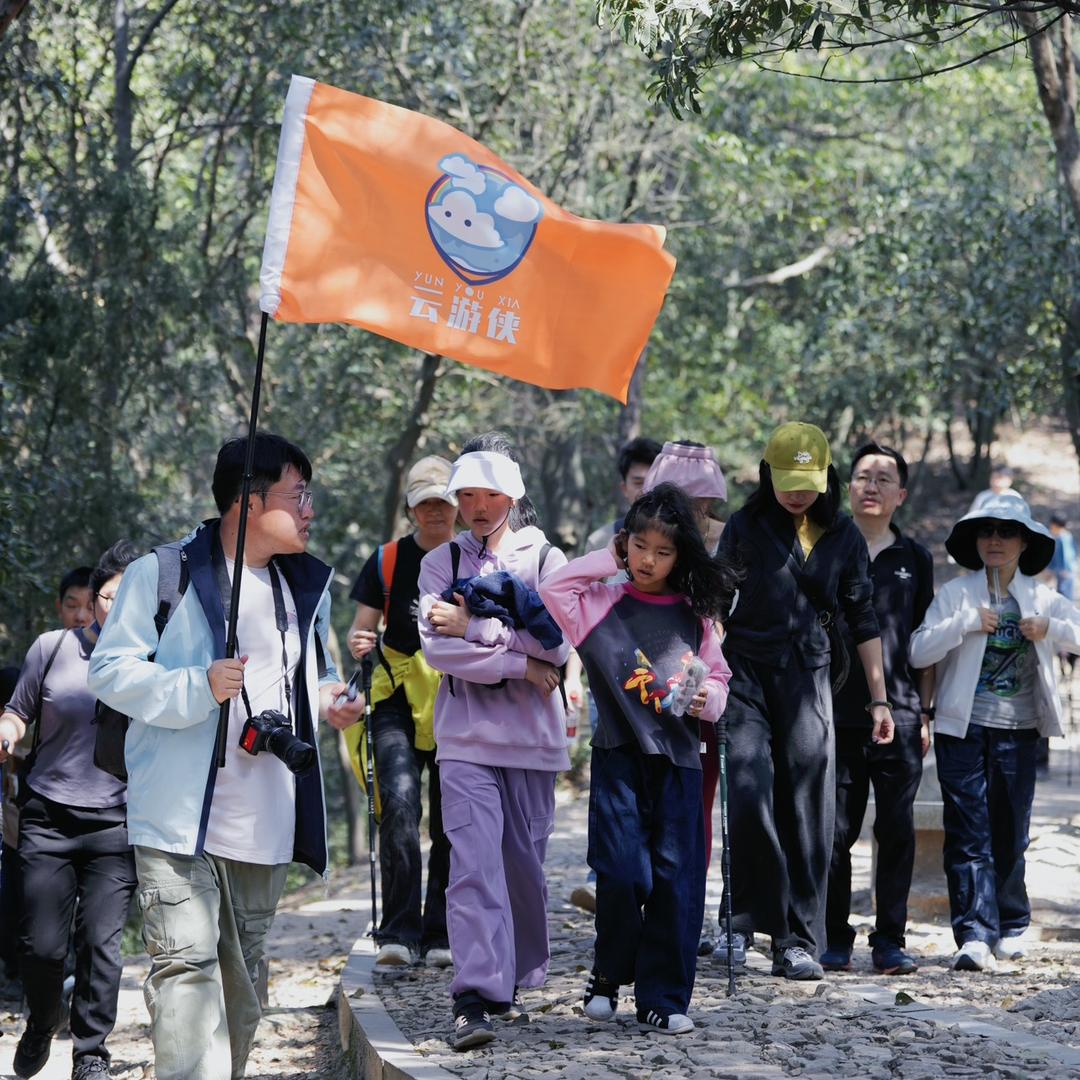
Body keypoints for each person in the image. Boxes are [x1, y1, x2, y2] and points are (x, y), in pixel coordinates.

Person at [87, 433, 363, 1080]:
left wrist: (330, 700)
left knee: (243, 994)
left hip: (262, 819)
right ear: (248, 499)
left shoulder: (305, 586)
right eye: (299, 496)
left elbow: (313, 671)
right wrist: (196, 686)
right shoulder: (166, 572)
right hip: (179, 813)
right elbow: (110, 671)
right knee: (186, 965)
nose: (310, 511)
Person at [540, 482, 735, 1035]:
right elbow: (556, 586)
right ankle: (608, 974)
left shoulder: (696, 616)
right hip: (619, 759)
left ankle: (664, 998)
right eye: (640, 546)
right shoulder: (599, 605)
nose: (649, 560)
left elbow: (720, 681)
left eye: (664, 550)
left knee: (677, 881)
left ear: (682, 556)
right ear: (627, 544)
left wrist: (707, 700)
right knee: (623, 873)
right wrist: (610, 556)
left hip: (679, 763)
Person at [713, 421, 892, 981]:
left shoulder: (842, 533)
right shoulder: (745, 526)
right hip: (744, 673)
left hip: (809, 675)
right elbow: (717, 601)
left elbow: (863, 617)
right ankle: (739, 923)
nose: (798, 492)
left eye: (808, 481)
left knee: (809, 804)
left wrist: (880, 700)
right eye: (787, 480)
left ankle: (796, 938)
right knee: (747, 788)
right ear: (767, 476)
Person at [417, 432, 571, 1051]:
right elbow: (438, 649)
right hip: (463, 740)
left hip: (532, 741)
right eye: (466, 495)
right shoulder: (441, 563)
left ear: (512, 492)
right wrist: (518, 662)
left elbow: (559, 642)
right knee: (473, 866)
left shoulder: (545, 559)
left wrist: (480, 626)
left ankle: (513, 974)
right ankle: (475, 995)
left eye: (489, 493)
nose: (477, 506)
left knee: (522, 870)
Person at [909, 493, 1080, 972]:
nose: (996, 540)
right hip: (960, 729)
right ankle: (973, 933)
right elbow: (919, 652)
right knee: (967, 831)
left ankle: (1012, 924)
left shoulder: (1044, 597)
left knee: (1011, 830)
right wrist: (964, 624)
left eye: (1006, 532)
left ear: (1025, 541)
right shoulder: (956, 595)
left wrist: (1050, 628)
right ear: (974, 539)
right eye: (986, 531)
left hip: (1021, 731)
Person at [0, 542, 141, 1080]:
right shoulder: (52, 648)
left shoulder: (153, 661)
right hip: (48, 818)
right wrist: (7, 733)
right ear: (95, 597)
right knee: (41, 946)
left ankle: (91, 1054)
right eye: (111, 596)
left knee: (101, 944)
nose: (120, 607)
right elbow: (19, 712)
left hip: (118, 822)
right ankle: (41, 1021)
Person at [821, 443, 935, 977]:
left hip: (904, 713)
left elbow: (926, 640)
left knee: (896, 828)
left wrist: (926, 708)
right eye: (863, 475)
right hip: (836, 712)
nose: (872, 485)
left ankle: (890, 939)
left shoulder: (916, 558)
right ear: (849, 487)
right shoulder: (828, 548)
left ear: (900, 495)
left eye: (884, 478)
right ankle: (835, 937)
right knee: (838, 829)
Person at [344, 456, 457, 968]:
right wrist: (359, 641)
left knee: (453, 817)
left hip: (457, 695)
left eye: (444, 501)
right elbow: (361, 629)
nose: (436, 511)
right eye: (425, 503)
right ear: (412, 510)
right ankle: (398, 931)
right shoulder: (387, 559)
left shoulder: (471, 557)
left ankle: (442, 932)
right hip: (394, 693)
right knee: (400, 803)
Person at [641, 440, 728, 956]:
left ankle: (686, 912)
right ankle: (646, 909)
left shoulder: (726, 543)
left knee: (697, 809)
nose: (693, 512)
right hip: (641, 695)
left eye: (700, 503)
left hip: (702, 697)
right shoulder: (637, 543)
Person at [583, 436, 662, 555]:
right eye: (638, 483)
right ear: (624, 488)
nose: (646, 491)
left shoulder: (682, 539)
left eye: (654, 482)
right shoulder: (598, 543)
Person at [1048, 513, 1077, 601]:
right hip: (1062, 572)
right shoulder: (1061, 536)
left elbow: (1067, 556)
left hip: (1065, 573)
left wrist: (1065, 569)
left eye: (1052, 525)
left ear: (1056, 525)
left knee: (1065, 597)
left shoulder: (1063, 538)